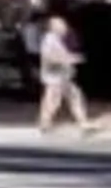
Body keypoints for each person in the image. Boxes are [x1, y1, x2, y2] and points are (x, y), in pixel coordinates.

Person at [37, 8, 90, 136]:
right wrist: (70, 59)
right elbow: (50, 57)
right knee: (54, 101)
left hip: (62, 75)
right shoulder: (50, 39)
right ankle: (45, 123)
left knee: (74, 97)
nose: (64, 27)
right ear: (53, 27)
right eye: (61, 24)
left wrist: (71, 59)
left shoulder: (56, 39)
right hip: (55, 76)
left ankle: (83, 122)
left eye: (64, 24)